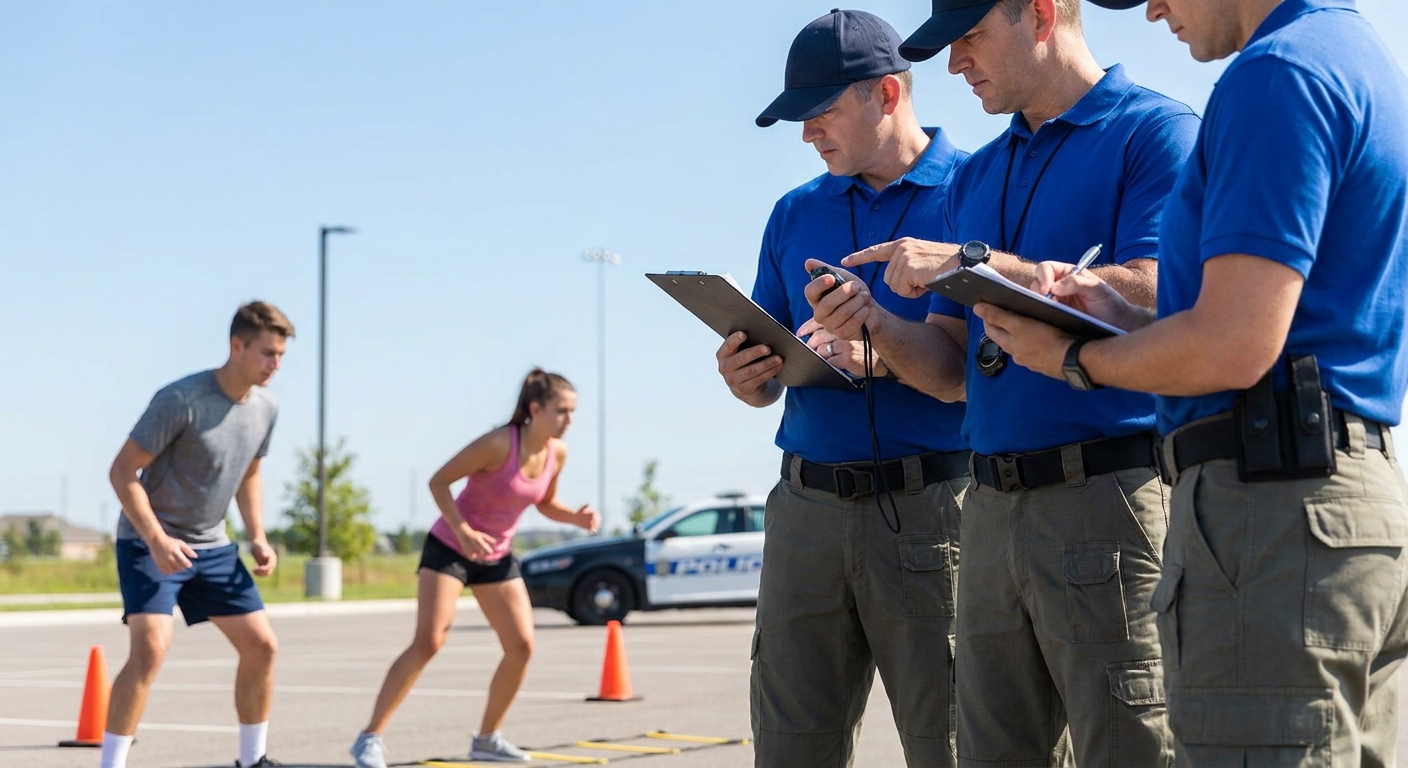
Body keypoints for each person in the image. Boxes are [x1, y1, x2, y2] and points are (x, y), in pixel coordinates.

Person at [975, 0, 1408, 763]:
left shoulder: (1276, 73)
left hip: (1273, 517)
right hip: (1336, 503)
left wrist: (1076, 359)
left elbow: (1235, 346)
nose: (1154, 8)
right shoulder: (1354, 53)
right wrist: (1121, 316)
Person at [804, 0, 1199, 763]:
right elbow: (952, 374)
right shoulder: (979, 174)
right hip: (987, 513)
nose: (954, 64)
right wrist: (875, 326)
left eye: (971, 38)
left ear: (1041, 15)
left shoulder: (1156, 133)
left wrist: (976, 265)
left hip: (1108, 500)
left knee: (1132, 749)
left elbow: (1160, 290)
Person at [720, 10, 971, 767]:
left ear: (887, 94)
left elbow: (973, 369)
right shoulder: (794, 212)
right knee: (792, 749)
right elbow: (768, 365)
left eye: (820, 112)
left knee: (956, 743)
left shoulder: (974, 193)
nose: (807, 135)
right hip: (807, 517)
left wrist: (880, 350)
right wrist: (747, 380)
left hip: (936, 515)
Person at [350, 369, 599, 767]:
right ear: (535, 409)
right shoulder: (498, 443)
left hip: (496, 556)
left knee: (521, 646)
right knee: (429, 641)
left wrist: (576, 518)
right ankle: (369, 738)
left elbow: (544, 502)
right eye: (562, 411)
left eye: (573, 412)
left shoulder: (557, 452)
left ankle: (487, 739)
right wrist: (463, 530)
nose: (569, 419)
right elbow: (438, 482)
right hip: (450, 547)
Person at [102, 301, 293, 768]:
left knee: (262, 644)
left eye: (281, 355)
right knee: (150, 650)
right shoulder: (181, 399)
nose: (276, 365)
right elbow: (123, 471)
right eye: (267, 353)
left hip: (213, 545)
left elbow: (249, 474)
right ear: (236, 345)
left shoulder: (266, 408)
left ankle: (253, 761)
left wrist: (259, 536)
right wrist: (157, 539)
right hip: (150, 542)